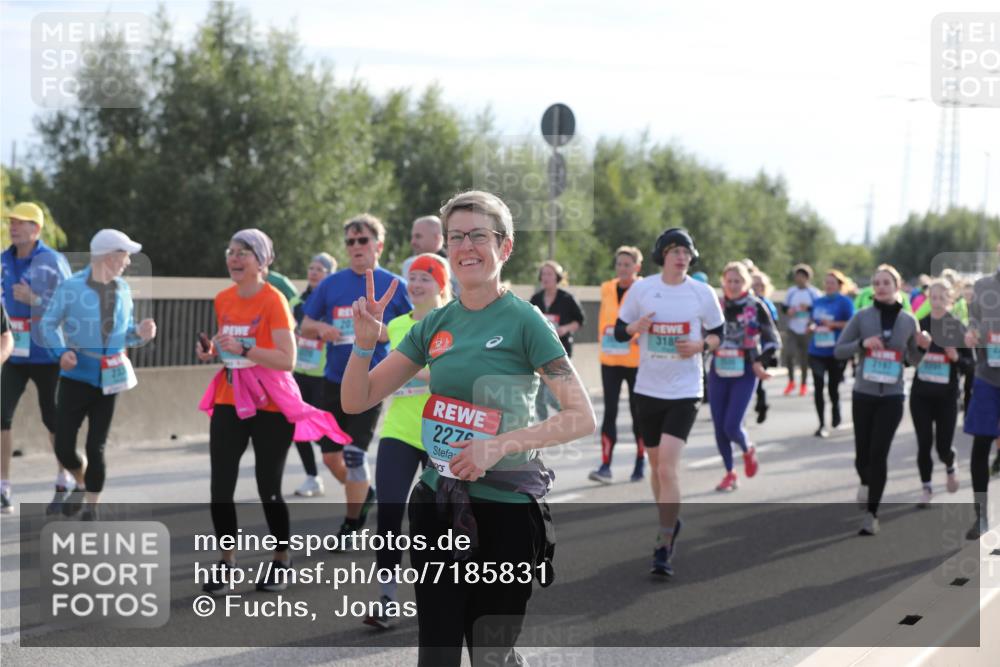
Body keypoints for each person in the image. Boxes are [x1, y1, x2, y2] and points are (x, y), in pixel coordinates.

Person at [340, 190, 596, 666]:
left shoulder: (527, 322)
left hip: (507, 513)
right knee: (436, 653)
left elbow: (581, 416)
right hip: (439, 506)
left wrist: (497, 447)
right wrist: (362, 345)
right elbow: (358, 398)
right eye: (456, 236)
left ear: (506, 246)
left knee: (489, 656)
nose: (466, 247)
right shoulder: (435, 324)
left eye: (479, 235)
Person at [195, 229, 349, 593]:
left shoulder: (274, 300)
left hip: (270, 402)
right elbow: (230, 344)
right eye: (230, 251)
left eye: (243, 252)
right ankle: (226, 561)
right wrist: (214, 351)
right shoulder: (223, 299)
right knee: (220, 487)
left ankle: (282, 558)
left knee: (269, 488)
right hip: (230, 396)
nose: (234, 258)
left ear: (261, 261)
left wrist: (245, 349)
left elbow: (286, 359)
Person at [615, 227, 724, 576]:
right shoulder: (643, 289)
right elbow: (619, 330)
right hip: (648, 389)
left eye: (686, 251)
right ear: (662, 254)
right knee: (655, 465)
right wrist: (636, 327)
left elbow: (718, 334)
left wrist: (701, 346)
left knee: (667, 467)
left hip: (685, 390)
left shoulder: (702, 292)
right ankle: (669, 520)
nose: (681, 256)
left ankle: (664, 542)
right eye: (675, 250)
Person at [301, 214, 412, 544]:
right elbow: (305, 324)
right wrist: (322, 328)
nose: (356, 247)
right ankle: (364, 493)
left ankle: (351, 525)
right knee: (330, 456)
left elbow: (415, 326)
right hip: (333, 378)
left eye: (362, 240)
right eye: (350, 241)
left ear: (378, 245)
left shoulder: (394, 285)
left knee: (353, 455)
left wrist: (381, 333)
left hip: (372, 380)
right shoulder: (332, 284)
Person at [39, 230, 157, 519]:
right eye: (125, 255)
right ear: (109, 256)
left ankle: (91, 507)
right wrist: (60, 352)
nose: (128, 261)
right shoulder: (71, 288)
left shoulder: (124, 290)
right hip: (75, 376)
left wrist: (140, 334)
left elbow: (125, 334)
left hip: (110, 379)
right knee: (65, 448)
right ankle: (80, 481)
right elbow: (47, 324)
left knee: (97, 446)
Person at [364, 252, 450, 630]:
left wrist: (413, 374)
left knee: (435, 522)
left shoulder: (452, 323)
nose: (416, 285)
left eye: (425, 279)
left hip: (441, 435)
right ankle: (386, 599)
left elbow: (454, 375)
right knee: (388, 512)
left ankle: (441, 597)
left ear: (441, 285)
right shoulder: (397, 325)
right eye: (412, 278)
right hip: (397, 431)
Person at [835, 264, 929, 536]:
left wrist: (922, 347)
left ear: (897, 286)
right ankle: (865, 482)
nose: (880, 287)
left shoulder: (909, 321)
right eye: (876, 282)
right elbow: (839, 350)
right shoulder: (862, 317)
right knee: (861, 456)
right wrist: (862, 344)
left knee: (879, 454)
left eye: (886, 282)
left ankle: (872, 514)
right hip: (863, 394)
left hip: (892, 396)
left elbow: (913, 360)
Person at [1, 202, 73, 515]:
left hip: (47, 351)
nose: (14, 227)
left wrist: (36, 300)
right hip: (12, 350)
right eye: (12, 222)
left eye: (22, 222)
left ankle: (64, 478)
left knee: (53, 418)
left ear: (37, 229)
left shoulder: (53, 261)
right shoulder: (2, 260)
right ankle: (2, 486)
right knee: (1, 415)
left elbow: (70, 305)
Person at [709, 261, 780, 492]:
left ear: (746, 283)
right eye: (728, 280)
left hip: (745, 371)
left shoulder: (756, 305)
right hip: (718, 369)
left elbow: (772, 340)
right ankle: (730, 473)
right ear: (722, 282)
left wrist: (761, 362)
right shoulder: (714, 305)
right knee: (719, 427)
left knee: (731, 425)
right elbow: (700, 332)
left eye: (737, 281)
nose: (732, 285)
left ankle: (747, 448)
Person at [910, 280, 972, 506]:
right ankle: (926, 488)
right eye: (932, 297)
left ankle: (950, 463)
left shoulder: (956, 327)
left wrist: (956, 358)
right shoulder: (920, 325)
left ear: (950, 300)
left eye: (941, 298)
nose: (936, 302)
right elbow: (908, 361)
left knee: (943, 446)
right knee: (924, 443)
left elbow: (970, 364)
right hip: (921, 395)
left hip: (946, 397)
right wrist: (919, 349)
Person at [589, 246, 646, 484]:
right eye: (619, 264)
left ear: (637, 267)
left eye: (627, 264)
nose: (622, 269)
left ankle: (640, 461)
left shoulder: (644, 290)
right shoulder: (606, 289)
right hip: (610, 360)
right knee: (609, 412)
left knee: (637, 413)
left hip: (635, 361)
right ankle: (605, 465)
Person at [289, 252, 336, 497]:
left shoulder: (333, 303)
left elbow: (327, 332)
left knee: (321, 428)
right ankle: (312, 477)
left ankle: (347, 464)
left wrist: (313, 332)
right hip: (300, 371)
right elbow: (293, 330)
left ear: (329, 274)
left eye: (320, 268)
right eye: (311, 267)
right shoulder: (296, 302)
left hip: (324, 373)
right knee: (297, 425)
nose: (314, 272)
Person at [961, 243, 1000, 539]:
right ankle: (981, 517)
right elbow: (973, 318)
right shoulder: (983, 286)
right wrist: (972, 331)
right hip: (988, 377)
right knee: (980, 448)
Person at [529, 260, 585, 421]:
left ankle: (568, 410)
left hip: (559, 352)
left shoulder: (567, 299)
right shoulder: (536, 299)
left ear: (558, 277)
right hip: (538, 353)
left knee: (549, 394)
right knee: (538, 395)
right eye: (543, 274)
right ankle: (543, 427)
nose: (545, 277)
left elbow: (580, 321)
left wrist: (565, 329)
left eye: (549, 274)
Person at [807, 270, 855, 437]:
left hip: (836, 351)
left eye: (832, 283)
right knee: (818, 385)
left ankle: (836, 409)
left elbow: (851, 324)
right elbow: (812, 320)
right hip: (816, 350)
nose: (828, 286)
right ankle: (821, 424)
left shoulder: (845, 302)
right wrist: (811, 326)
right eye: (826, 282)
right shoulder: (818, 301)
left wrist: (834, 324)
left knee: (833, 387)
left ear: (839, 285)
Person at [782, 264, 822, 397]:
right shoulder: (791, 291)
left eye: (801, 276)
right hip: (793, 328)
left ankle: (804, 384)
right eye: (797, 276)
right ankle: (791, 381)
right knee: (789, 354)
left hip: (807, 329)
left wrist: (808, 309)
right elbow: (784, 307)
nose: (799, 279)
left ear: (807, 278)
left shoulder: (814, 292)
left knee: (804, 358)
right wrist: (789, 311)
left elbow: (819, 309)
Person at [750, 270, 779, 423]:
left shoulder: (766, 304)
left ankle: (761, 404)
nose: (757, 287)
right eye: (755, 284)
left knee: (758, 379)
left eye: (760, 285)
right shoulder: (743, 303)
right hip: (747, 349)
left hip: (763, 350)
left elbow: (773, 329)